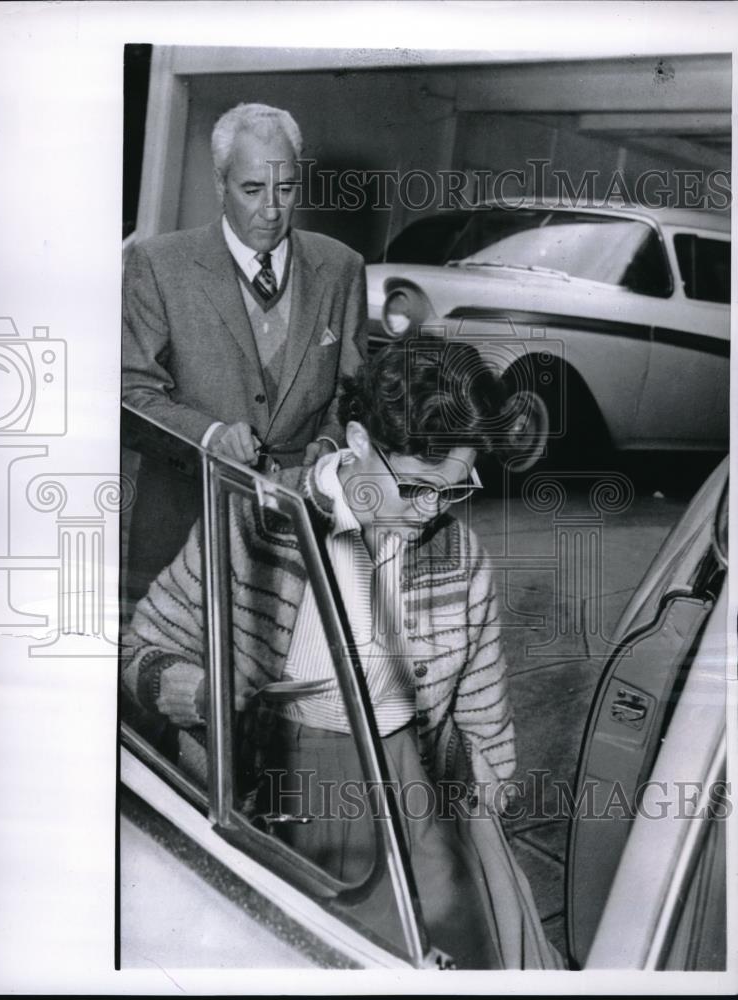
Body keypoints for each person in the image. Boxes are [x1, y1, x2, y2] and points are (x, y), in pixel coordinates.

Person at [122, 338, 560, 970]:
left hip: (413, 793)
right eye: (414, 487)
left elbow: (485, 725)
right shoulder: (257, 521)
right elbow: (142, 649)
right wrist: (200, 693)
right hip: (278, 789)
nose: (431, 511)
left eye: (455, 488)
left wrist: (480, 810)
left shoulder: (461, 558)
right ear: (357, 440)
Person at [122, 101, 367, 596]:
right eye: (252, 189)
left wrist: (330, 444)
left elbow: (351, 391)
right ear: (220, 185)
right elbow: (130, 394)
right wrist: (210, 435)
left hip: (299, 538)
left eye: (286, 188)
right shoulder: (157, 264)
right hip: (184, 525)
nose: (272, 210)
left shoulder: (341, 267)